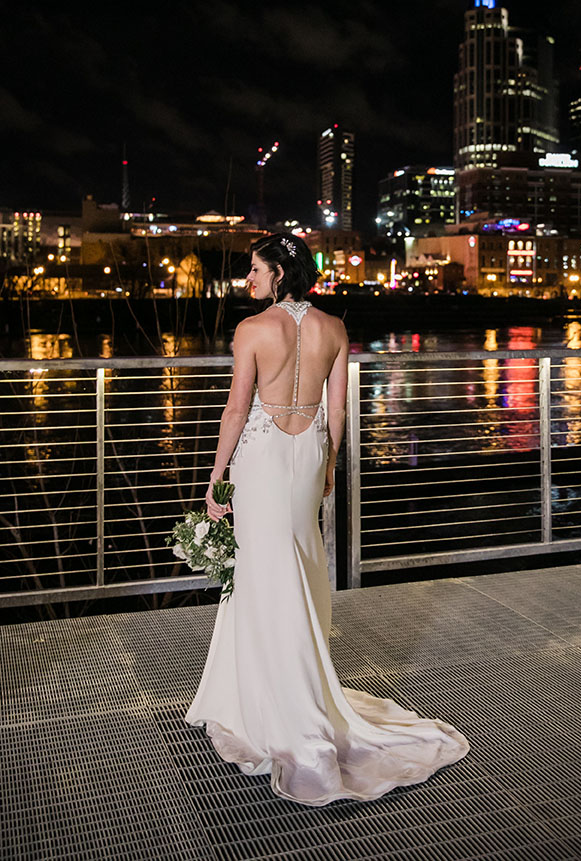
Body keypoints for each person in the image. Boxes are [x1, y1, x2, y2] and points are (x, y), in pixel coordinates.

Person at [185, 233, 469, 805]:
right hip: (310, 450)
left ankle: (272, 700)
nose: (250, 280)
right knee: (301, 557)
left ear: (280, 274)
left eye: (256, 270)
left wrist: (217, 478)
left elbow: (238, 408)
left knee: (262, 567)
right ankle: (300, 684)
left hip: (264, 454)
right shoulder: (334, 328)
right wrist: (331, 463)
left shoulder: (251, 330)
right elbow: (337, 406)